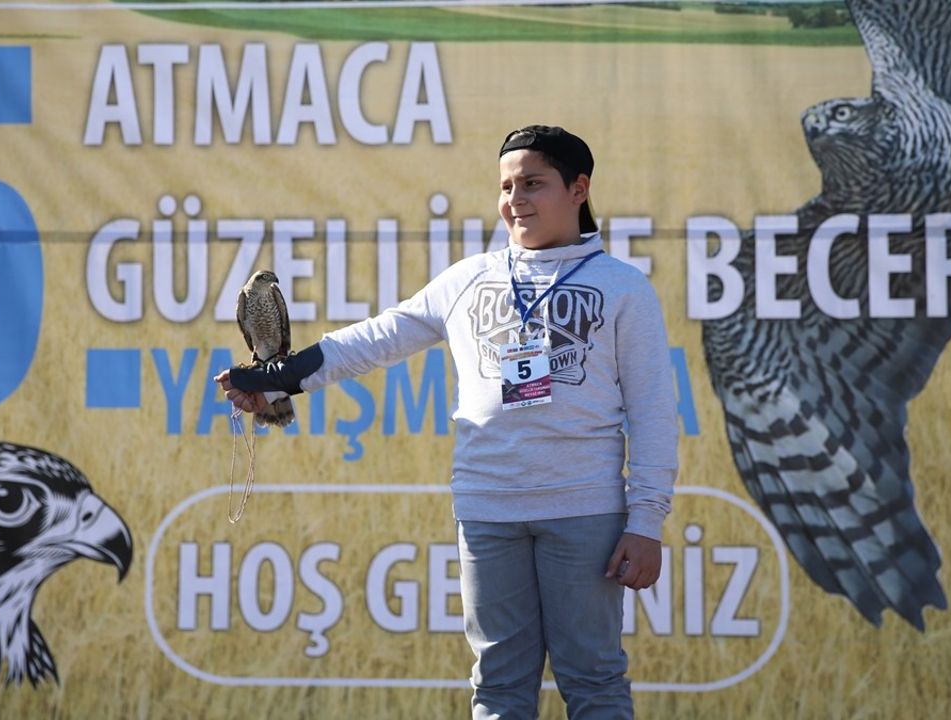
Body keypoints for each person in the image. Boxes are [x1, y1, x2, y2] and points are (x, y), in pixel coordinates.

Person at [215, 125, 679, 719]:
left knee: (593, 680)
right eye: (506, 188)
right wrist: (277, 378)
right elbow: (375, 340)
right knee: (497, 686)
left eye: (534, 184)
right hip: (487, 509)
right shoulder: (469, 278)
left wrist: (646, 521)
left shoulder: (622, 287)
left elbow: (654, 414)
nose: (517, 200)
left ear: (579, 188)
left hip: (583, 510)